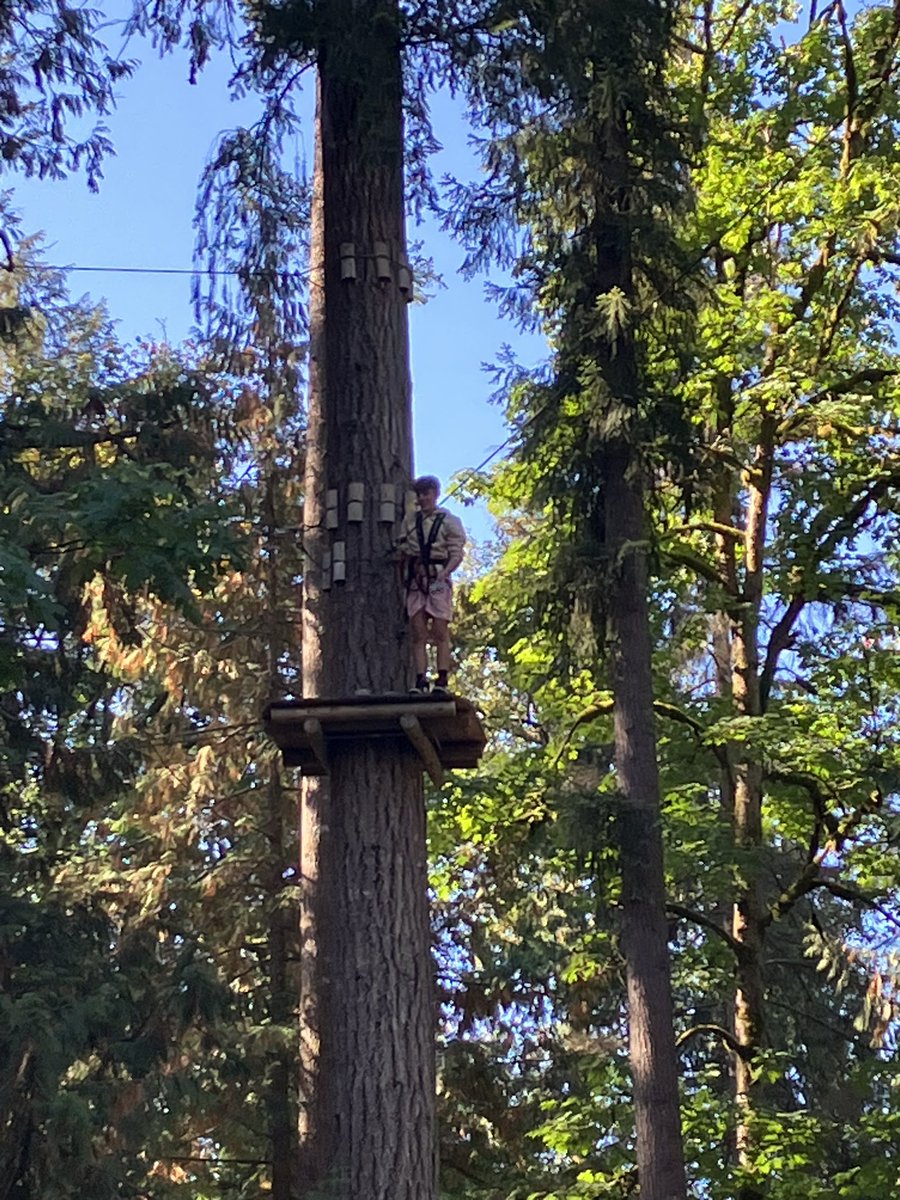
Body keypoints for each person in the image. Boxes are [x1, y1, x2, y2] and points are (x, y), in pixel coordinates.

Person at [397, 475, 466, 694]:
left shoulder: (448, 520)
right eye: (419, 495)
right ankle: (420, 680)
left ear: (435, 494)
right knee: (418, 630)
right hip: (417, 581)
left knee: (439, 628)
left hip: (437, 581)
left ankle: (442, 679)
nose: (423, 499)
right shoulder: (410, 522)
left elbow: (456, 552)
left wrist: (444, 573)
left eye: (426, 494)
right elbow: (403, 549)